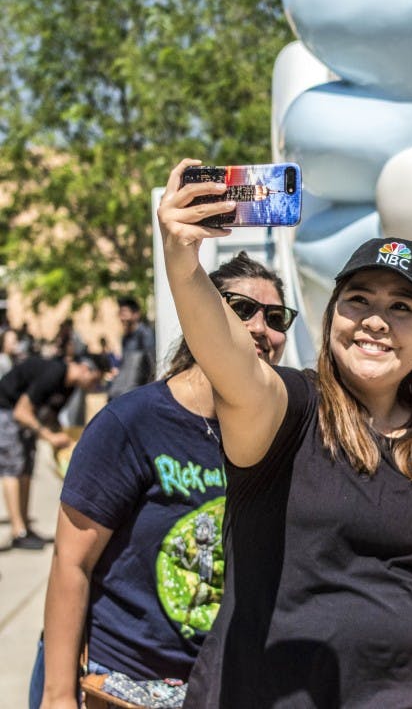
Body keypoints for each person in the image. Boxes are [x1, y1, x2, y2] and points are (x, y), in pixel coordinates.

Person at [158, 159, 412, 709]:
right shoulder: (289, 410)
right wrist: (184, 264)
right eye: (359, 300)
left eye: (402, 307)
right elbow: (231, 360)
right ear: (333, 315)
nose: (376, 320)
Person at [30, 252, 292, 709]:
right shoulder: (132, 423)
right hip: (120, 684)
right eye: (240, 309)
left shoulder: (282, 434)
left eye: (275, 317)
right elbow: (71, 564)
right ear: (202, 314)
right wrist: (57, 697)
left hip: (217, 687)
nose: (259, 328)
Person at [0, 354, 102, 550]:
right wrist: (50, 436)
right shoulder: (55, 373)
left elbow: (50, 417)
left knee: (26, 470)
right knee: (13, 469)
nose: (94, 385)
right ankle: (18, 531)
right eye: (95, 379)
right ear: (84, 368)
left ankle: (25, 526)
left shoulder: (69, 387)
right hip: (6, 411)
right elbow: (21, 412)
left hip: (24, 419)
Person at [108, 295, 156, 399]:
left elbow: (152, 363)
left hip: (140, 391)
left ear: (136, 315)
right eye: (120, 313)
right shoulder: (125, 338)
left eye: (124, 313)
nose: (122, 318)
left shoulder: (145, 334)